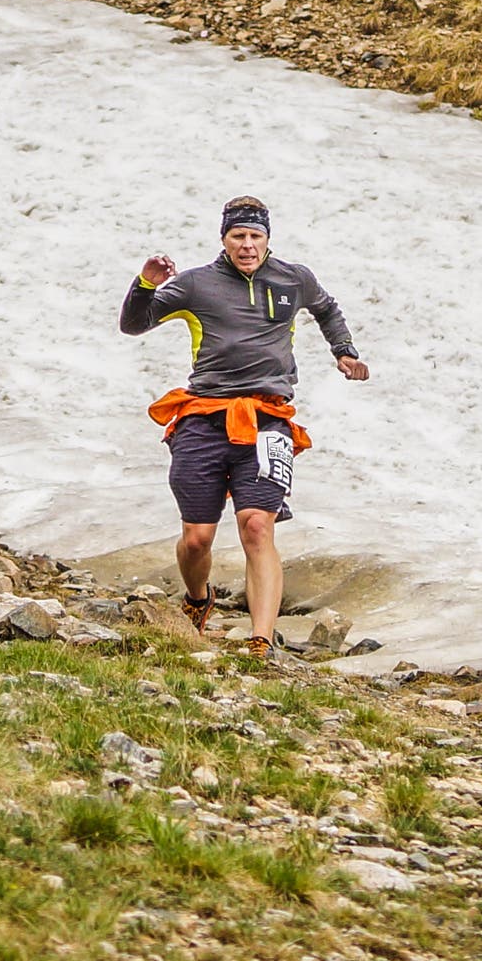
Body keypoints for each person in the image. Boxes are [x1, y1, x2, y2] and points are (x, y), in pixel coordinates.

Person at [120, 196, 367, 650]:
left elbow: (327, 309)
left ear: (268, 238)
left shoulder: (294, 278)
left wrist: (344, 351)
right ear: (225, 239)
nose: (248, 245)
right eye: (239, 236)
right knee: (197, 539)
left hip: (268, 419)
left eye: (256, 236)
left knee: (257, 525)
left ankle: (260, 638)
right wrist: (145, 285)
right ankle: (198, 598)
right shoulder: (196, 284)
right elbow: (134, 325)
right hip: (204, 417)